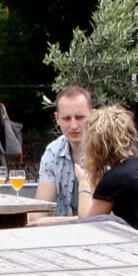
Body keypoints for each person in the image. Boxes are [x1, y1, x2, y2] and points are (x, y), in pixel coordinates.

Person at [33, 85, 92, 217]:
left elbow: (106, 216)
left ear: (92, 115)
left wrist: (56, 221)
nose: (74, 125)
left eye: (79, 117)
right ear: (57, 119)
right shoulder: (52, 152)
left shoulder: (106, 150)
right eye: (66, 118)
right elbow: (40, 212)